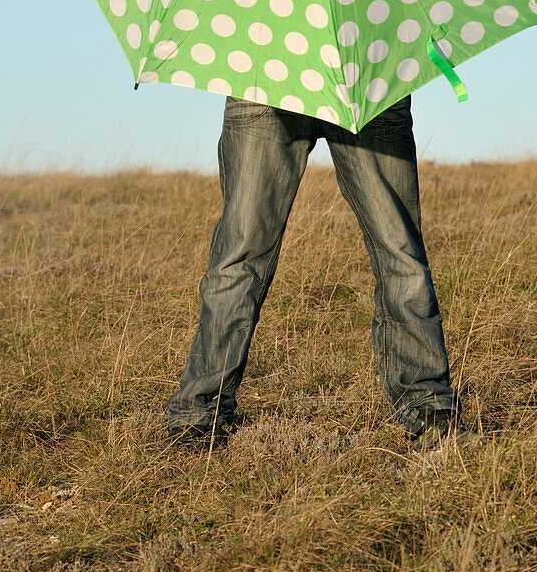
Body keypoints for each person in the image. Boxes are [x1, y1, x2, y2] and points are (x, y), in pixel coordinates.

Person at [166, 92, 476, 451]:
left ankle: (427, 406)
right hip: (268, 71)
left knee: (400, 249)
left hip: (366, 72)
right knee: (239, 256)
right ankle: (199, 413)